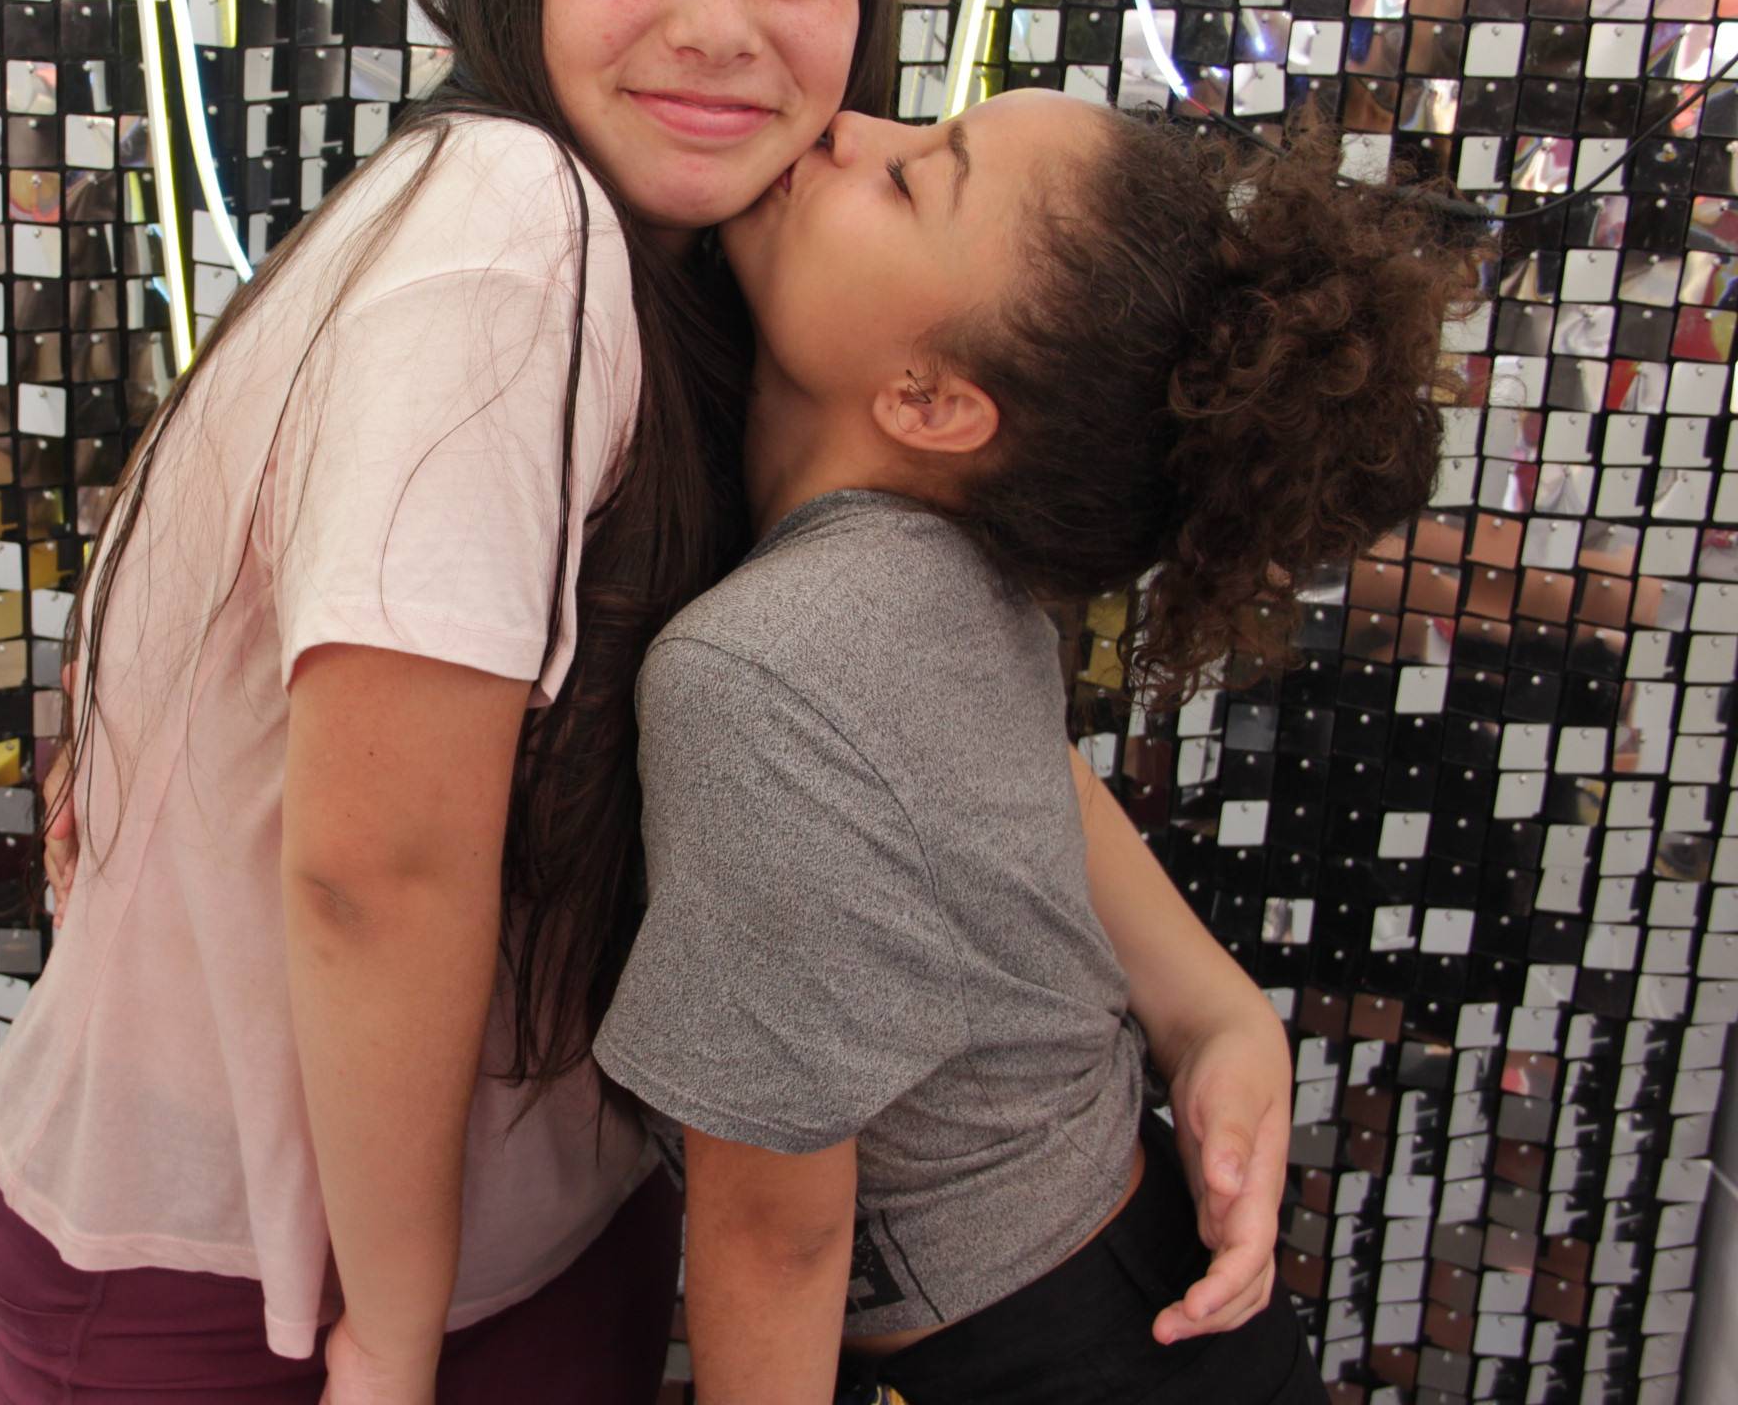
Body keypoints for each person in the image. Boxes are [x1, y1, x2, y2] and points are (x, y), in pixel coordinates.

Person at [0, 0, 1298, 1401]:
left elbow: (933, 724)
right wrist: (390, 1329)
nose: (718, 28)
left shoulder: (742, 283)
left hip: (532, 1233)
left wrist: (1208, 1005)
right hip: (289, 1280)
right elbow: (378, 866)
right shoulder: (512, 230)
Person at [593, 90, 1480, 1405]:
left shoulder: (769, 666)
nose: (847, 126)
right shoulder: (933, 578)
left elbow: (778, 1237)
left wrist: (1221, 1018)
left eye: (912, 179)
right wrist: (1221, 1014)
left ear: (931, 399)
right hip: (1135, 1302)